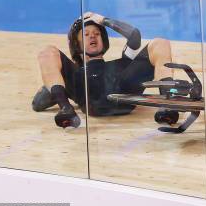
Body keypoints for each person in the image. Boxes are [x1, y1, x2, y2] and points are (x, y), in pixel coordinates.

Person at [32, 12, 174, 128]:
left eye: (97, 33)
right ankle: (65, 109)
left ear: (104, 40)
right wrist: (54, 83)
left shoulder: (123, 62)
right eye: (86, 35)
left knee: (160, 43)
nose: (92, 36)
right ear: (77, 45)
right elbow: (37, 104)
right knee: (48, 52)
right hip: (88, 95)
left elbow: (134, 35)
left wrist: (103, 20)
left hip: (124, 88)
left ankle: (168, 104)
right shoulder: (76, 75)